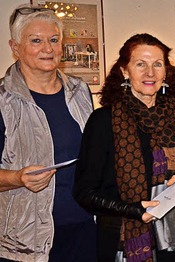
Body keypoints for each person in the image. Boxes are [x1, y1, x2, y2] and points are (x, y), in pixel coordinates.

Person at [73, 33, 175, 262]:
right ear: (125, 71)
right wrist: (134, 210)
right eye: (140, 64)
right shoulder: (103, 121)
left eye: (157, 64)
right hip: (123, 237)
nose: (150, 73)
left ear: (166, 72)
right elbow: (84, 192)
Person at [0, 5, 96, 262]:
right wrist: (17, 177)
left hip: (84, 230)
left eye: (54, 40)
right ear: (15, 47)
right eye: (36, 40)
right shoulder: (2, 101)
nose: (48, 48)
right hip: (25, 242)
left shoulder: (80, 91)